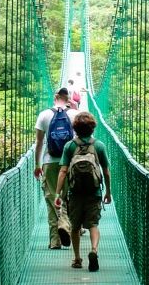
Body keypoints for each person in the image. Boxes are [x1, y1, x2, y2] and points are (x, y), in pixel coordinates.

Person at [54, 111, 111, 272]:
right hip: (94, 193)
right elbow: (106, 171)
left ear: (75, 128)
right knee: (93, 224)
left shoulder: (70, 146)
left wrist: (58, 194)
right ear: (92, 128)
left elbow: (63, 171)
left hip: (75, 193)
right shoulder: (99, 145)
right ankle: (93, 250)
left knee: (75, 226)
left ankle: (77, 258)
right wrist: (108, 192)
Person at [34, 87, 80, 249]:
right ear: (68, 99)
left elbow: (39, 143)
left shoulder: (44, 115)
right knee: (70, 196)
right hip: (71, 162)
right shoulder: (75, 115)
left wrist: (37, 165)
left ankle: (54, 240)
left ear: (55, 97)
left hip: (50, 161)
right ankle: (66, 224)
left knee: (51, 197)